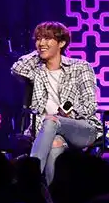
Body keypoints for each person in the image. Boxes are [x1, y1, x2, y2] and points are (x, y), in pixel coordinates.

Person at [11, 21, 99, 184]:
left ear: (62, 43)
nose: (41, 43)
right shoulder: (36, 71)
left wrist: (69, 112)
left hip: (82, 128)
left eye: (47, 38)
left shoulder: (80, 67)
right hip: (47, 132)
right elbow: (17, 68)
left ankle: (30, 180)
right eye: (38, 39)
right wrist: (40, 50)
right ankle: (55, 198)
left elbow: (90, 106)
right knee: (55, 144)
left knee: (52, 120)